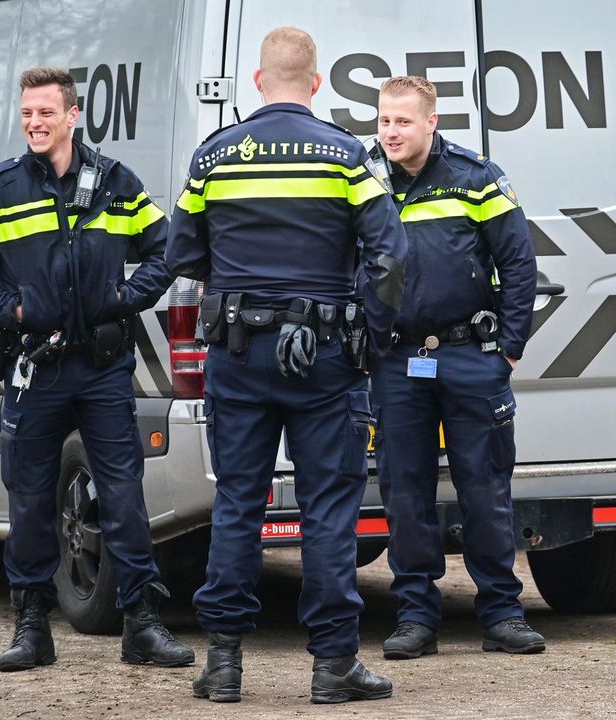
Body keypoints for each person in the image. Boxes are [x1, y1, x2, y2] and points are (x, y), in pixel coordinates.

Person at [166, 27, 407, 704]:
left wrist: (240, 283)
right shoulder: (344, 155)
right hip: (325, 358)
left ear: (257, 81)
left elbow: (183, 252)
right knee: (328, 509)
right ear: (318, 84)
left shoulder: (215, 155)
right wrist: (373, 337)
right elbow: (388, 257)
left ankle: (223, 665)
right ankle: (334, 667)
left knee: (238, 505)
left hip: (238, 355)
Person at [0, 67, 192, 673]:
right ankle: (31, 626)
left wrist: (124, 299)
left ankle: (142, 623)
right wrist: (9, 309)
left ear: (73, 115)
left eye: (46, 112)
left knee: (122, 495)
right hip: (34, 369)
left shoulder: (118, 183)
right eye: (27, 114)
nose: (35, 123)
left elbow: (167, 251)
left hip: (102, 368)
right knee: (31, 499)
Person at [367, 76, 543, 659]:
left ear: (431, 123)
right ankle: (416, 618)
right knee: (404, 492)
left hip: (470, 356)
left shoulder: (477, 178)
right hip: (397, 359)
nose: (391, 132)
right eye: (384, 121)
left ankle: (501, 613)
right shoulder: (363, 181)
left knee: (485, 488)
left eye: (403, 121)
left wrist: (510, 347)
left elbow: (519, 264)